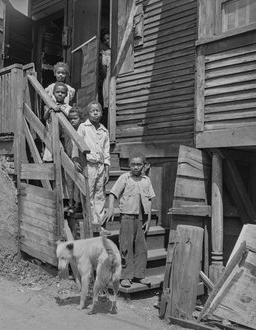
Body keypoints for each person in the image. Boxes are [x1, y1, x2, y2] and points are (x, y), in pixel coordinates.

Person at [105, 155, 155, 288]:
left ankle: (140, 275)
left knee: (141, 248)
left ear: (144, 165)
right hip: (127, 217)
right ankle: (126, 276)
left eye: (139, 164)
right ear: (129, 165)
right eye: (133, 164)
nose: (136, 167)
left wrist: (148, 219)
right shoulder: (124, 178)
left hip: (141, 218)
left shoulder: (146, 180)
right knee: (126, 246)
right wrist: (111, 208)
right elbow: (112, 194)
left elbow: (149, 200)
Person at [72, 101, 110, 234]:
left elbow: (106, 151)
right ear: (88, 113)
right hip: (88, 164)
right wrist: (75, 158)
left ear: (101, 113)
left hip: (100, 166)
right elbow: (76, 143)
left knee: (100, 194)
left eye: (97, 110)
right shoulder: (83, 127)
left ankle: (99, 223)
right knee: (89, 193)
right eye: (92, 111)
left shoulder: (104, 130)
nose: (95, 112)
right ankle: (92, 223)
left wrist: (106, 169)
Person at [43, 82, 71, 162]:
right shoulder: (49, 105)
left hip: (64, 135)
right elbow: (45, 117)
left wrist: (61, 110)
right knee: (51, 152)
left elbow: (69, 117)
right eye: (57, 92)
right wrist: (50, 110)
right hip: (53, 134)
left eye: (63, 92)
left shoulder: (68, 108)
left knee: (63, 154)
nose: (60, 94)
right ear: (53, 93)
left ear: (66, 95)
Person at [65, 106, 82, 214]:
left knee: (78, 184)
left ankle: (77, 204)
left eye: (75, 118)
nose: (72, 121)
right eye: (70, 119)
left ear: (80, 119)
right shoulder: (68, 131)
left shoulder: (82, 130)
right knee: (69, 184)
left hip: (79, 161)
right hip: (69, 160)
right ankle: (70, 203)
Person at [99, 28, 110, 127]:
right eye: (105, 40)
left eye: (108, 38)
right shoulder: (106, 54)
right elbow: (103, 74)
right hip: (108, 82)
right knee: (108, 107)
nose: (107, 41)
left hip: (116, 80)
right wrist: (103, 58)